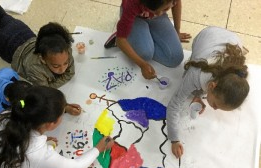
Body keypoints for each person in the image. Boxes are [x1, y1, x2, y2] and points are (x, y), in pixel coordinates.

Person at [0, 0, 82, 115]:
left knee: (1, 18)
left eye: (65, 63)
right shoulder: (34, 68)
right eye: (56, 66)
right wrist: (64, 105)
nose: (63, 69)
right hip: (6, 44)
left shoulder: (65, 51)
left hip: (21, 30)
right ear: (42, 59)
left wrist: (58, 77)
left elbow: (70, 72)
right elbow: (46, 89)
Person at [166, 26, 250, 158]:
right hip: (207, 34)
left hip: (232, 40)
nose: (215, 109)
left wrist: (198, 95)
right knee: (187, 79)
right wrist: (174, 139)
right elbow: (174, 105)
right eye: (216, 105)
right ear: (211, 86)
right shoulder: (195, 74)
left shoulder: (238, 75)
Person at [104, 0, 191, 79]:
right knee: (144, 55)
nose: (159, 14)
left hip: (155, 11)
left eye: (165, 9)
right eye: (155, 11)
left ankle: (141, 36)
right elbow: (121, 40)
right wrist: (142, 64)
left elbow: (176, 3)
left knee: (175, 58)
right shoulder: (131, 3)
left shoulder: (161, 9)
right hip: (136, 17)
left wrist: (177, 31)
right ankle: (126, 33)